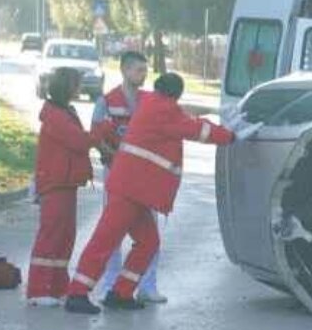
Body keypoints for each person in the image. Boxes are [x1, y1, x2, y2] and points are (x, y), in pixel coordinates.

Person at [64, 73, 241, 314]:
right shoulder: (165, 111)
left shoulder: (151, 101)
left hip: (134, 188)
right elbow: (197, 130)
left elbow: (185, 114)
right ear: (176, 94)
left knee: (147, 242)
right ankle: (77, 292)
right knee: (105, 240)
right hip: (132, 189)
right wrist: (232, 135)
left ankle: (121, 292)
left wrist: (216, 111)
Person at [26, 68, 113, 307]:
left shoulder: (65, 111)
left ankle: (56, 286)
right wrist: (103, 129)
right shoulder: (56, 115)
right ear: (67, 87)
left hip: (66, 182)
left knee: (64, 236)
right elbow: (79, 142)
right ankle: (38, 289)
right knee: (51, 235)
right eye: (77, 84)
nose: (80, 88)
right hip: (55, 182)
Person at [92, 51, 166, 304]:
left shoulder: (150, 101)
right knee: (113, 231)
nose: (143, 75)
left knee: (150, 232)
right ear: (124, 70)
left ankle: (148, 285)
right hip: (117, 175)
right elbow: (97, 136)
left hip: (147, 177)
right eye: (138, 70)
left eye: (145, 71)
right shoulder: (107, 101)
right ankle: (110, 283)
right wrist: (115, 156)